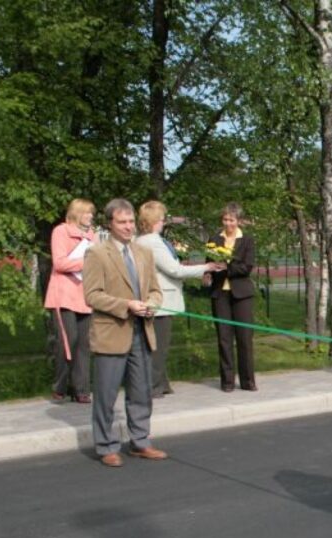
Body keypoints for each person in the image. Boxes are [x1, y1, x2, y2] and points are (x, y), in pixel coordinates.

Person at [83, 198, 166, 467]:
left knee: (141, 391)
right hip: (112, 333)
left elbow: (155, 290)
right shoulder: (97, 253)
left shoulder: (143, 253)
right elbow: (92, 296)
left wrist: (152, 304)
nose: (128, 227)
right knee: (106, 394)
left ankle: (140, 442)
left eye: (131, 221)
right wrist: (126, 305)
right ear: (110, 224)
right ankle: (106, 445)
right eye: (122, 222)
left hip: (142, 331)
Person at [135, 201, 224, 398]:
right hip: (161, 301)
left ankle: (162, 383)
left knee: (157, 345)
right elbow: (174, 270)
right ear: (155, 220)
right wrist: (206, 267)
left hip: (158, 299)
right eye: (162, 218)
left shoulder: (144, 240)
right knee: (158, 347)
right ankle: (153, 387)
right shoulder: (152, 242)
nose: (164, 221)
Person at [44, 199, 97, 404]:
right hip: (64, 295)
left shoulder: (92, 236)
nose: (90, 216)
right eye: (86, 213)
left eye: (91, 213)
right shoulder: (61, 231)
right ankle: (60, 386)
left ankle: (82, 389)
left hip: (85, 296)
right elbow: (59, 263)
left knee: (84, 344)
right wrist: (86, 263)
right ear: (76, 213)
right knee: (69, 340)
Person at [207, 202, 257, 392]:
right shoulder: (214, 239)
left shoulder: (247, 240)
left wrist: (228, 267)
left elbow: (247, 267)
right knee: (224, 338)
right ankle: (227, 382)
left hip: (242, 294)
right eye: (225, 219)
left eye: (231, 220)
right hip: (220, 294)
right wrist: (208, 274)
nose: (228, 223)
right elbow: (209, 263)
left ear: (238, 221)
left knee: (244, 338)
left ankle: (247, 381)